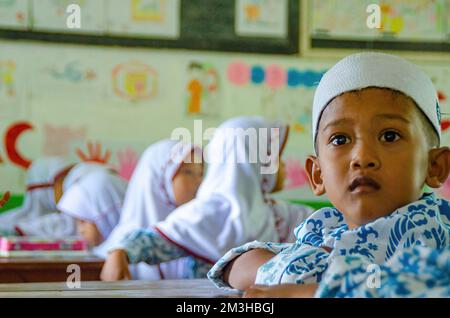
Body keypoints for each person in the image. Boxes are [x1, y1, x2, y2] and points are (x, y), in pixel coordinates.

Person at [207, 52, 450, 298]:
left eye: (390, 136)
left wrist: (307, 289)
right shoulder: (326, 225)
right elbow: (234, 267)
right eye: (340, 139)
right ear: (318, 174)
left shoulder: (429, 231)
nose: (362, 157)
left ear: (435, 166)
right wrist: (297, 267)